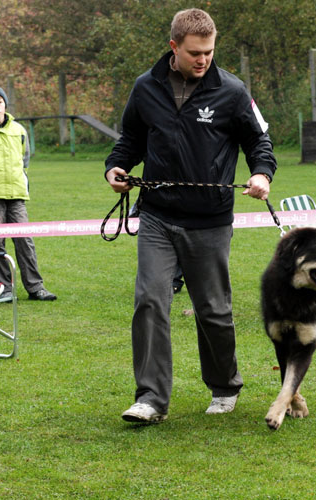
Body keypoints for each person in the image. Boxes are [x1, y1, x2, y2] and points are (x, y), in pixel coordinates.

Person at [105, 8, 277, 423]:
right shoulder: (145, 88)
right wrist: (116, 168)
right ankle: (150, 399)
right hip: (158, 216)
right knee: (149, 300)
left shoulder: (233, 91)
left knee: (213, 309)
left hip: (210, 220)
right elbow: (129, 139)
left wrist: (261, 174)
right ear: (174, 48)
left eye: (209, 52)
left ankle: (224, 385)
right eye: (195, 52)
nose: (203, 60)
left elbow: (261, 142)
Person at [0, 85, 57, 302]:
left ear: (5, 104)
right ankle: (4, 289)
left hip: (17, 194)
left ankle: (36, 287)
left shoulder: (19, 130)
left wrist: (20, 180)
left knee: (25, 240)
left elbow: (24, 160)